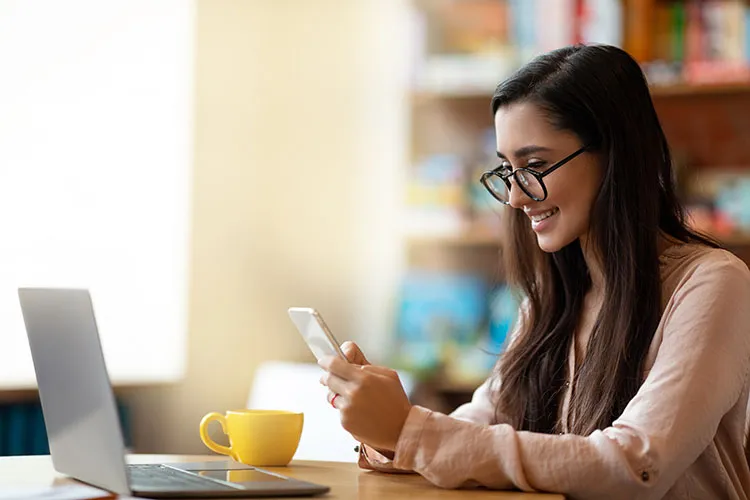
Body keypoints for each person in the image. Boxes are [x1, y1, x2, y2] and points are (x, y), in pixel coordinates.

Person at [318, 44, 750, 499]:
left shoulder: (712, 284)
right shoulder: (550, 300)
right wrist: (388, 433)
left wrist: (412, 432)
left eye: (536, 166)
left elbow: (637, 465)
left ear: (614, 155)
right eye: (508, 170)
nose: (515, 198)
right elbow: (478, 427)